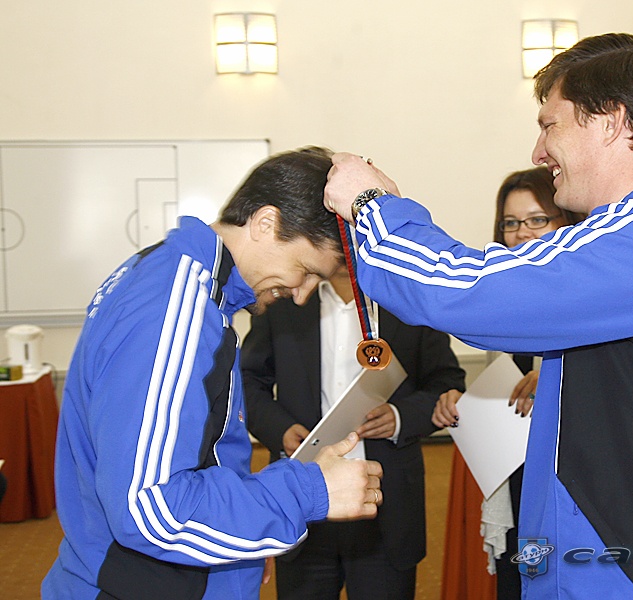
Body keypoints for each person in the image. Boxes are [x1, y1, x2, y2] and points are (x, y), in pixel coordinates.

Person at [324, 33, 633, 600]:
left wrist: (370, 206)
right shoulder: (625, 238)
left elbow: (469, 289)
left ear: (612, 122)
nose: (538, 152)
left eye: (551, 126)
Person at [42, 147, 384, 600]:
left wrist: (247, 531)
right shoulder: (175, 308)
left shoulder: (183, 283)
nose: (301, 295)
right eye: (305, 270)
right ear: (266, 223)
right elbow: (150, 511)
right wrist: (306, 493)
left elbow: (195, 457)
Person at [241, 262, 466, 600]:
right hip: (304, 496)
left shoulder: (407, 301)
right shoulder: (285, 303)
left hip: (385, 503)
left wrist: (401, 417)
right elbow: (248, 382)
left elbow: (447, 382)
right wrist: (281, 429)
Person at [435, 167, 585, 600]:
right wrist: (461, 402)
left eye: (537, 219)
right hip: (513, 472)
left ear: (566, 220)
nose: (522, 233)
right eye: (511, 223)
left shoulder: (587, 293)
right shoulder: (501, 300)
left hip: (571, 482)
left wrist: (558, 376)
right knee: (515, 580)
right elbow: (503, 388)